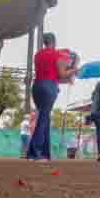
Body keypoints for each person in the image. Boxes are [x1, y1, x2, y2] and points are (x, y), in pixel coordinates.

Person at [27, 32, 76, 161]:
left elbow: (50, 73)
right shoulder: (57, 55)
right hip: (49, 87)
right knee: (43, 118)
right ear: (54, 41)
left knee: (45, 118)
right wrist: (74, 70)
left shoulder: (38, 54)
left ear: (45, 42)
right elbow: (61, 74)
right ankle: (35, 153)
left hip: (37, 86)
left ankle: (45, 153)